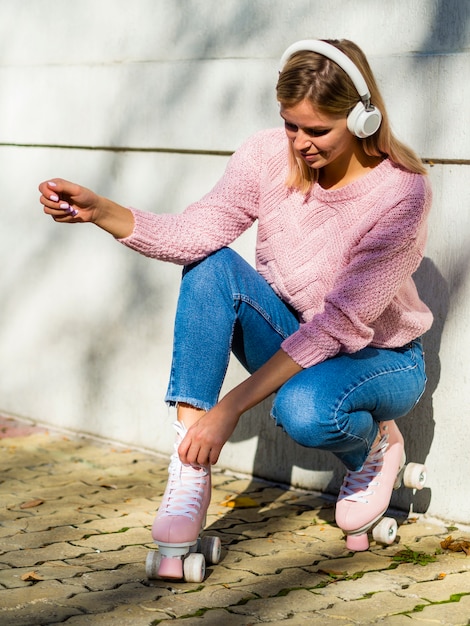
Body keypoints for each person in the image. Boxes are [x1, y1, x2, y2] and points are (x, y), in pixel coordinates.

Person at [39, 39, 432, 569]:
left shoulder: (402, 194)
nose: (300, 143)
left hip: (383, 357)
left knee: (305, 412)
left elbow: (338, 324)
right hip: (301, 336)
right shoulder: (267, 155)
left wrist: (229, 410)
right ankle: (189, 467)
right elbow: (196, 233)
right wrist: (103, 211)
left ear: (363, 119)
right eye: (291, 124)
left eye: (317, 130)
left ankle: (378, 445)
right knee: (210, 266)